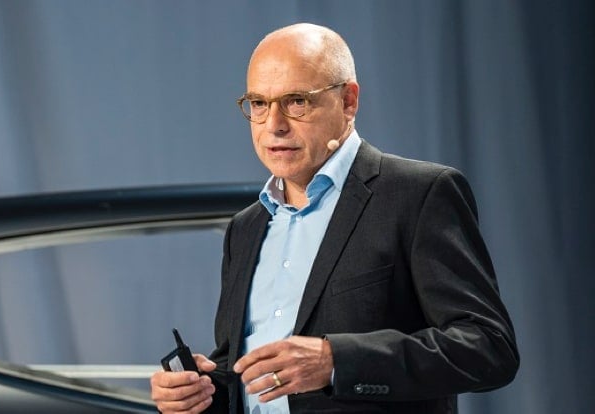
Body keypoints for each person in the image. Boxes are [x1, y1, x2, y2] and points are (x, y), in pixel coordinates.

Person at [150, 23, 519, 413]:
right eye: (259, 103)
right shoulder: (246, 228)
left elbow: (488, 347)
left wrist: (336, 360)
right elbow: (245, 376)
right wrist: (203, 391)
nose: (274, 124)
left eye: (296, 101)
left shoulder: (418, 194)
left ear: (348, 102)